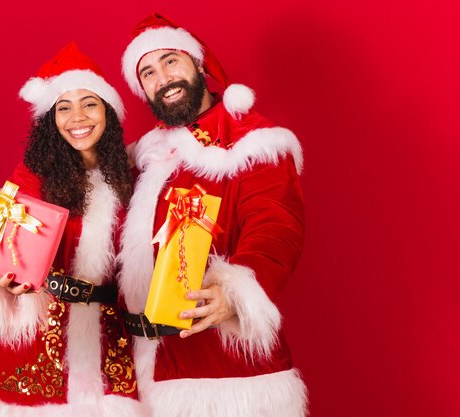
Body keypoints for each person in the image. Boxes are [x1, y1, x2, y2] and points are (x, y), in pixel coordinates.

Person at [116, 13, 308, 417]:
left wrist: (234, 290)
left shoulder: (251, 142)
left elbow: (276, 228)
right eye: (147, 72)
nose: (162, 77)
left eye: (171, 61)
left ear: (198, 65)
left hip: (223, 378)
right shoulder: (144, 157)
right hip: (138, 377)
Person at [0, 42, 145, 417]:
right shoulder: (33, 176)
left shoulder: (133, 176)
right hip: (40, 341)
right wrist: (4, 279)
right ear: (51, 120)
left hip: (110, 342)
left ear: (108, 112)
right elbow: (5, 249)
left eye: (90, 104)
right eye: (64, 107)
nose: (77, 117)